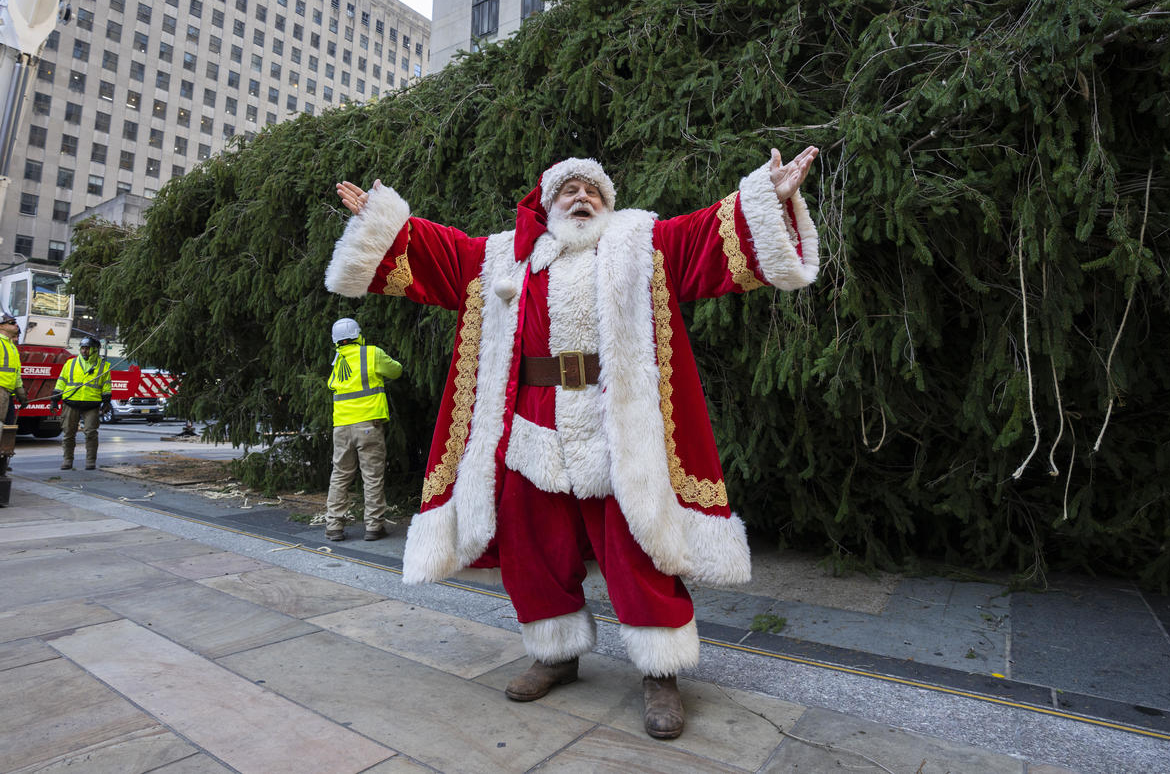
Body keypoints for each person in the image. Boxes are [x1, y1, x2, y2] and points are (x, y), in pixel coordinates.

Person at [326, 147, 820, 739]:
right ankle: (555, 652)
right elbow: (438, 255)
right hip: (533, 428)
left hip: (617, 428)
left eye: (593, 192)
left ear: (608, 205)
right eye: (569, 191)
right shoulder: (504, 256)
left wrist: (768, 196)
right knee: (533, 547)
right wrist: (384, 222)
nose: (582, 199)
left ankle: (660, 672)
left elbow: (711, 240)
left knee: (636, 549)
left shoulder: (644, 243)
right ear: (547, 202)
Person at [325, 316, 403, 542]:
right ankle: (373, 527)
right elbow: (395, 370)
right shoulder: (372, 353)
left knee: (340, 476)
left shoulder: (339, 360)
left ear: (336, 340)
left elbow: (332, 385)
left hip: (341, 427)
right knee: (372, 477)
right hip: (368, 425)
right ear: (357, 335)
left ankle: (334, 527)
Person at [50, 336, 111, 471]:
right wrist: (54, 399)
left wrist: (106, 402)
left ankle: (90, 461)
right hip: (71, 402)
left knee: (91, 433)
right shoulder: (70, 363)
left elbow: (106, 386)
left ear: (95, 350)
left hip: (92, 404)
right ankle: (67, 460)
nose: (84, 351)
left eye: (87, 348)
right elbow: (61, 382)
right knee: (68, 433)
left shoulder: (104, 366)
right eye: (82, 348)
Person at [0, 313, 28, 426]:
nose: (16, 324)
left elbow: (15, 372)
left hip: (7, 392)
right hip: (1, 389)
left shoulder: (11, 346)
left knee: (8, 426)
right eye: (11, 322)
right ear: (1, 326)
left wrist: (19, 390)